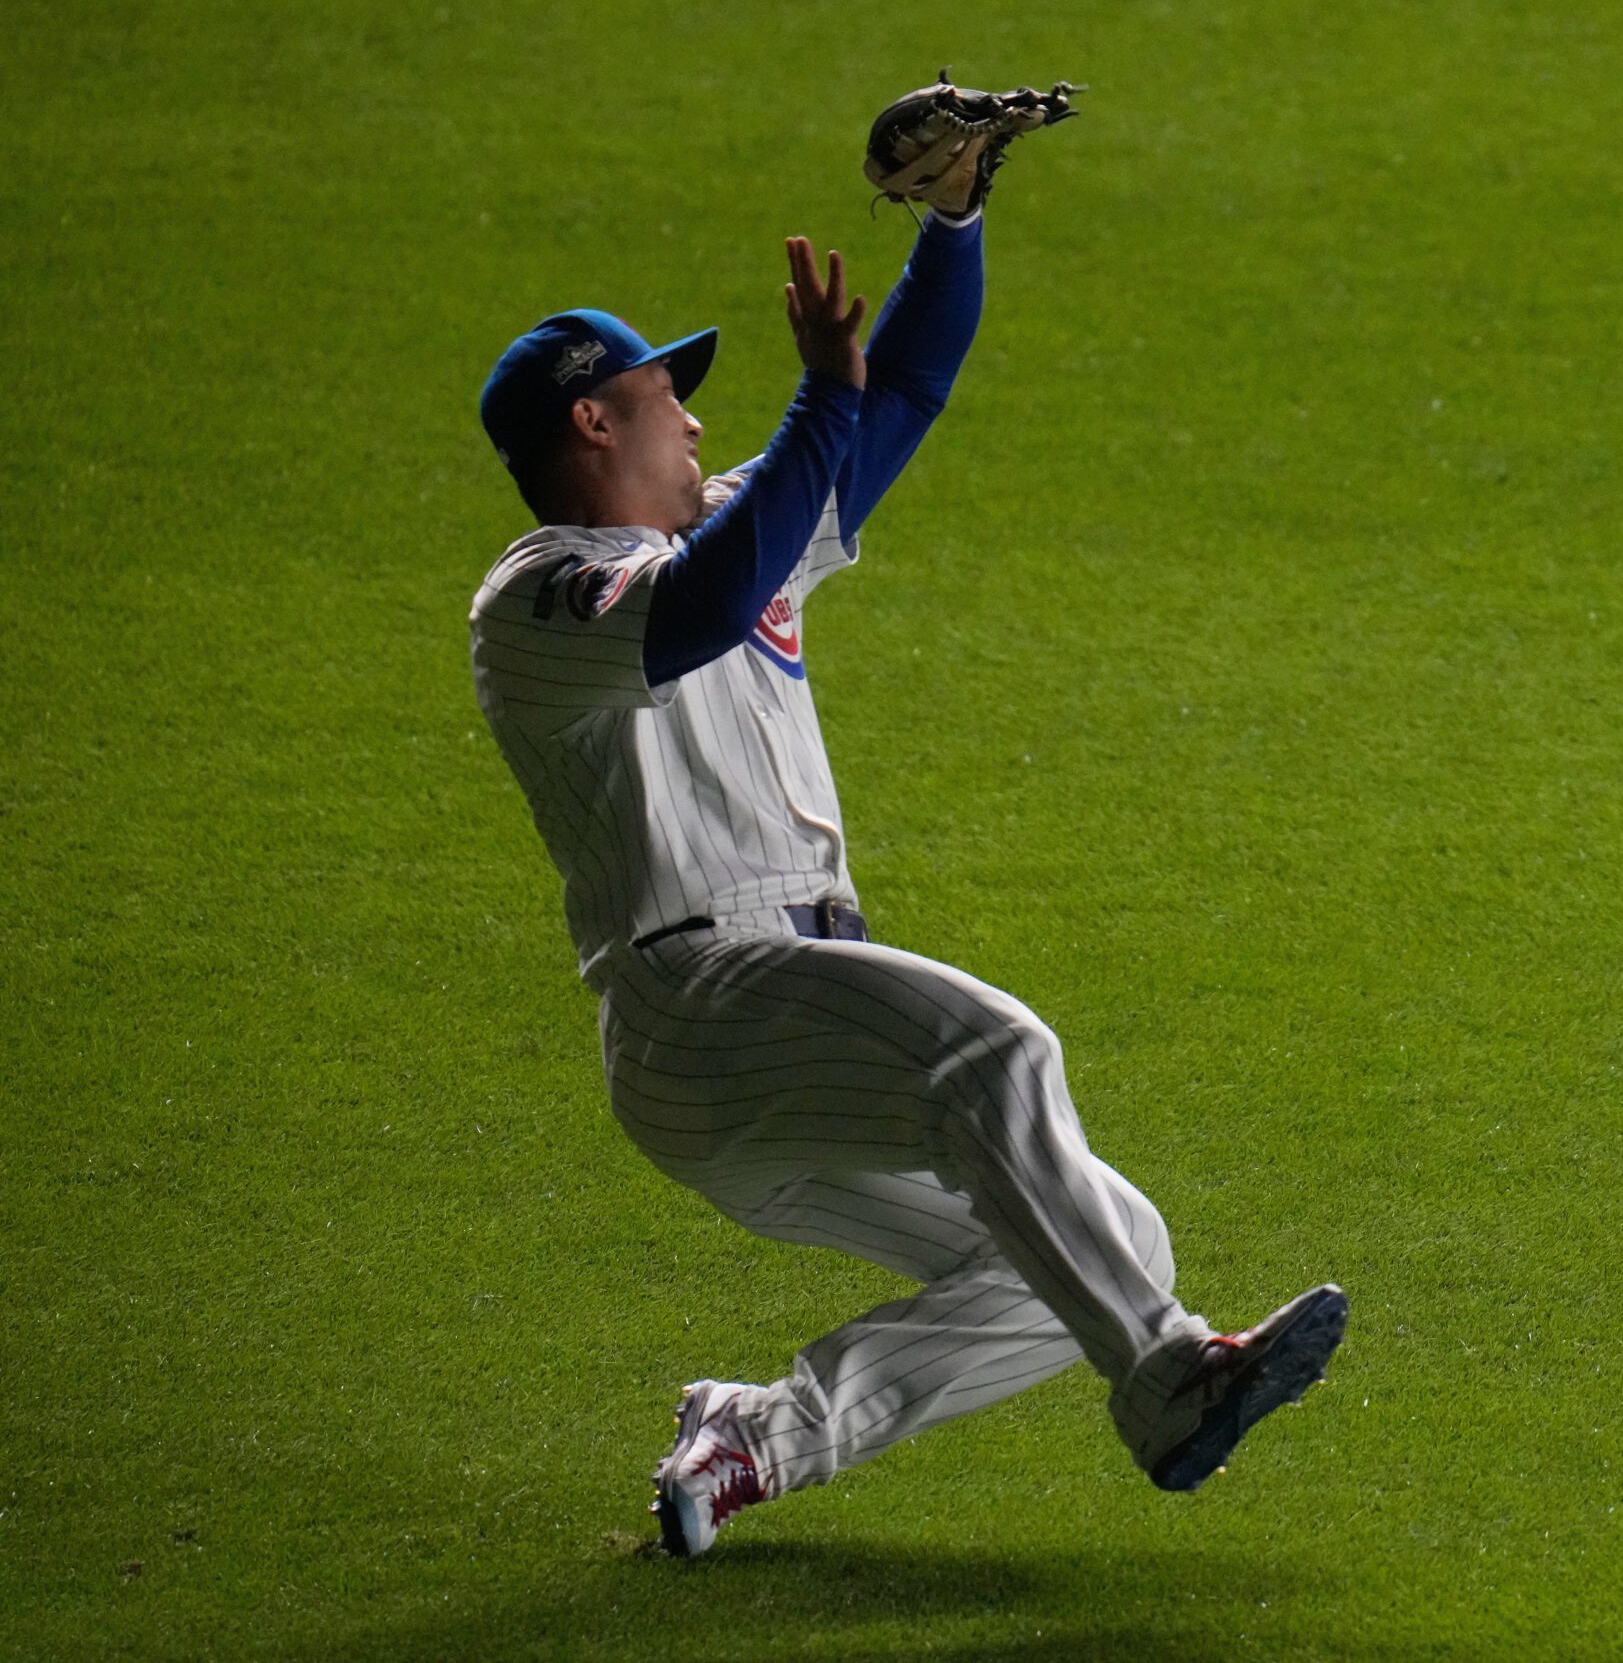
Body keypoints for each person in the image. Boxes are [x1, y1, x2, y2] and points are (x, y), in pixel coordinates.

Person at [466, 178, 1346, 1558]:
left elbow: (906, 390)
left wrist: (953, 219)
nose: (696, 420)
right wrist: (817, 396)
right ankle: (1172, 1386)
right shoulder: (539, 597)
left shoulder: (738, 528)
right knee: (994, 1055)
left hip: (788, 1020)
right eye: (664, 397)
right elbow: (695, 609)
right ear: (592, 420)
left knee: (1103, 1245)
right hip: (701, 1007)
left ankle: (755, 1440)